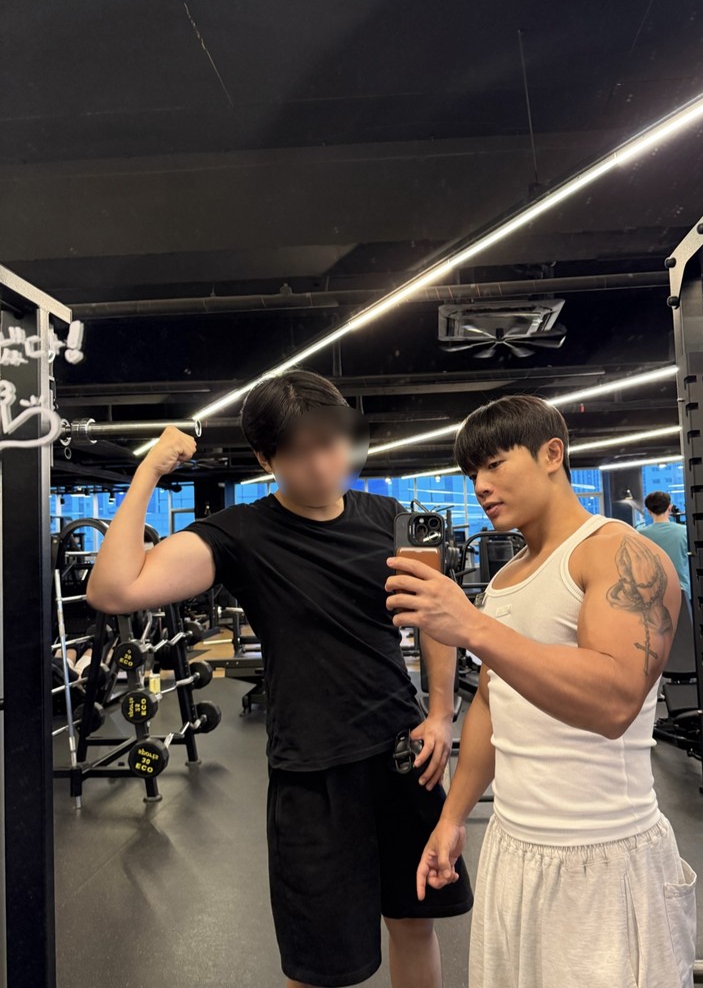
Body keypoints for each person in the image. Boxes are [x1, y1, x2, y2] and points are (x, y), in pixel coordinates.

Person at [87, 370, 472, 988]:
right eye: (298, 453)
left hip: (403, 757)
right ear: (267, 460)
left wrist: (441, 714)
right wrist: (150, 470)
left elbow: (437, 618)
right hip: (312, 772)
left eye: (330, 443)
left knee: (414, 924)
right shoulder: (240, 534)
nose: (321, 465)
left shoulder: (389, 517)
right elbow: (112, 591)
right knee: (318, 966)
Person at [385, 394, 696, 988]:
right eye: (471, 473)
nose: (480, 485)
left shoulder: (621, 553)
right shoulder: (506, 578)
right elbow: (492, 703)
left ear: (552, 454)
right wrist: (452, 818)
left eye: (494, 464)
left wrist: (473, 627)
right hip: (514, 849)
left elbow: (614, 702)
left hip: (605, 855)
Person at [638, 490, 691, 594]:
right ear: (669, 507)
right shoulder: (685, 531)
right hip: (681, 592)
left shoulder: (640, 535)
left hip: (652, 594)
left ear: (648, 511)